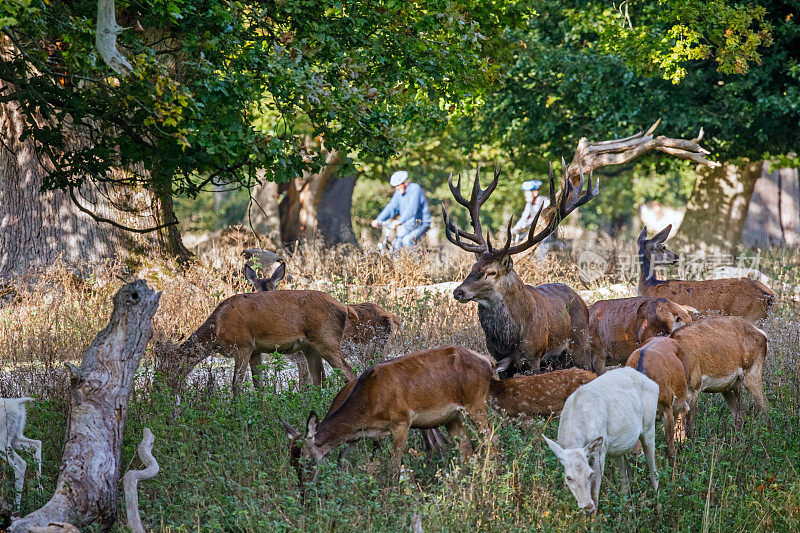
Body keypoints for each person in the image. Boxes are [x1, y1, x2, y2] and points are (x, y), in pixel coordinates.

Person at [371, 170, 431, 248]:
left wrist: (400, 220)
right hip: (407, 224)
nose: (397, 188)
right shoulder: (398, 193)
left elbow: (412, 209)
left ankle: (416, 260)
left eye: (398, 185)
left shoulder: (415, 189)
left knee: (407, 240)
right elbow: (391, 207)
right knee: (395, 245)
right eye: (395, 186)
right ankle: (396, 260)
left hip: (421, 224)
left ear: (406, 183)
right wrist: (378, 219)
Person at [511, 179, 551, 244]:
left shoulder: (546, 201)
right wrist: (515, 229)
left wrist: (529, 222)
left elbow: (544, 217)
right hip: (535, 231)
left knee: (542, 250)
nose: (525, 195)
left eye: (527, 192)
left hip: (545, 233)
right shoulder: (529, 203)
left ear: (535, 192)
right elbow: (524, 217)